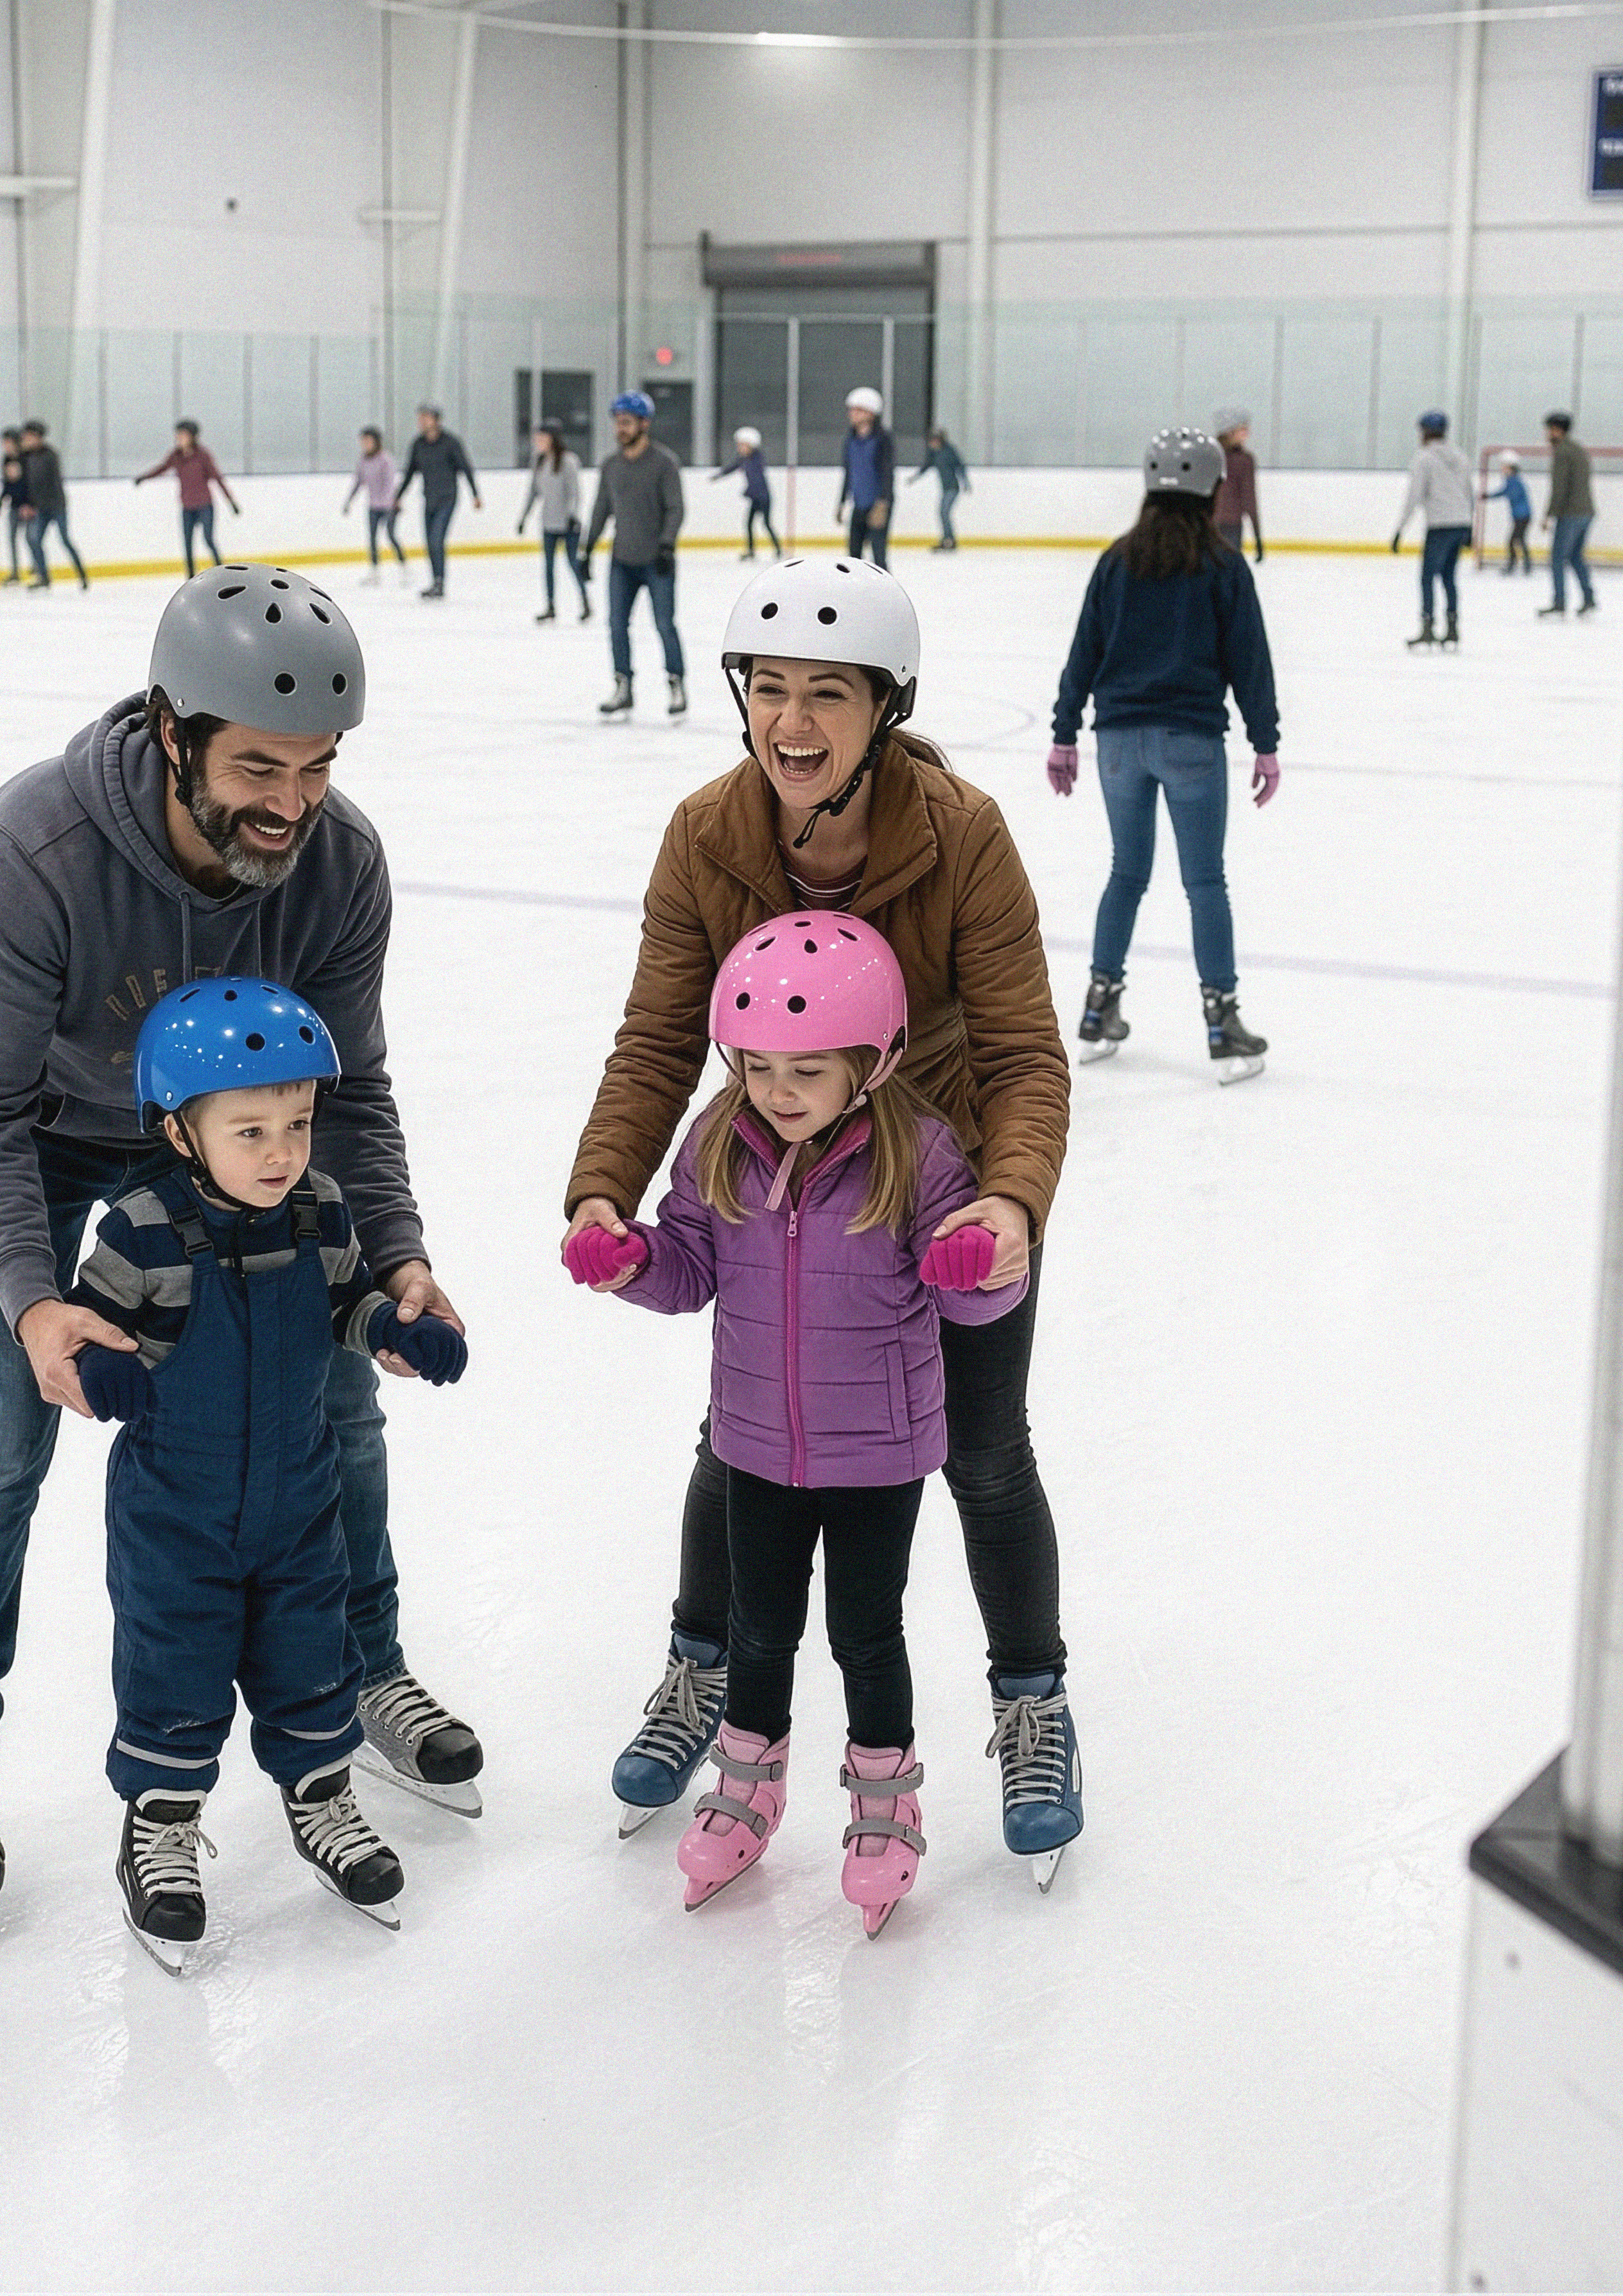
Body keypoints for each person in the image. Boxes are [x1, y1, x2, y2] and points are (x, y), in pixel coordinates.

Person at [0, 564, 485, 1925]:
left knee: (333, 1388)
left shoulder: (339, 865)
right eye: (259, 768)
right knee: (3, 1421)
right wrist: (34, 1305)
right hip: (35, 1118)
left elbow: (352, 1092)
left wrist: (394, 1257)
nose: (292, 804)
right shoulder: (37, 848)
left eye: (317, 768)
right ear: (172, 731)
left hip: (230, 1125)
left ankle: (362, 1667)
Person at [562, 555, 1084, 1886]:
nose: (792, 724)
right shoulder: (707, 834)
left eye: (828, 695)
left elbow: (1024, 1051)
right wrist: (604, 1185)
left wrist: (1009, 1201)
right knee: (740, 1441)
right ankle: (701, 1672)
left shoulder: (960, 834)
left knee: (984, 1450)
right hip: (771, 1175)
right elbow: (658, 1036)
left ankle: (1032, 1701)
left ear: (884, 708)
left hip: (935, 1183)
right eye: (771, 689)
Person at [571, 912, 1022, 1931]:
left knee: (866, 1634)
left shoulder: (921, 1153)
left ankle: (885, 1804)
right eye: (757, 1065)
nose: (776, 1091)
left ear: (874, 1060)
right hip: (756, 1442)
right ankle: (747, 1790)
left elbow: (971, 1303)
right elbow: (689, 1268)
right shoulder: (717, 1141)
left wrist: (977, 1269)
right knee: (758, 1628)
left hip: (880, 1453)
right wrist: (633, 1262)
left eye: (806, 1071)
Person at [68, 980, 470, 1967]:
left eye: (296, 1124)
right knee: (176, 1667)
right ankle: (160, 1826)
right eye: (250, 1132)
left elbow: (347, 1303)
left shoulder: (319, 1210)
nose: (281, 1152)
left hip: (298, 1498)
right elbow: (91, 1325)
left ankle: (323, 1799)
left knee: (310, 1658)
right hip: (177, 1512)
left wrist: (395, 1331)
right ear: (180, 1132)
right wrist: (104, 1362)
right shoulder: (140, 1230)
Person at [1047, 428, 1283, 1085]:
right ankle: (1223, 1024)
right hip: (1191, 742)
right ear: (1212, 490)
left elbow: (1083, 652)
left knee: (1126, 873)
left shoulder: (1117, 561)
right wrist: (1265, 743)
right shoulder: (1223, 567)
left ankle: (1098, 1008)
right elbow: (1251, 662)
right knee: (1205, 882)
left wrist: (1065, 734)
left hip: (1119, 743)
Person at [586, 390, 687, 720]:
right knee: (616, 624)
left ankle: (676, 684)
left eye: (627, 422)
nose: (621, 429)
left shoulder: (664, 462)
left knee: (664, 624)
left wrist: (667, 545)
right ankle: (623, 687)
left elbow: (676, 509)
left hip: (657, 561)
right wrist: (587, 549)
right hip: (622, 561)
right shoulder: (611, 465)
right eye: (618, 422)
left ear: (644, 424)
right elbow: (601, 509)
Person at [1391, 409, 1471, 650]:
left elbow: (1414, 496)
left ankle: (1428, 627)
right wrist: (1470, 528)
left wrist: (1400, 529)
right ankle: (1452, 628)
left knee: (1427, 577)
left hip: (1439, 526)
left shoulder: (1423, 459)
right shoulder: (1460, 457)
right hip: (1461, 524)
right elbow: (1468, 493)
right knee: (1449, 577)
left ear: (1426, 432)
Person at [394, 403, 481, 599]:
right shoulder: (418, 444)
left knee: (436, 539)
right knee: (430, 542)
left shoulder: (450, 443)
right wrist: (398, 496)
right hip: (429, 499)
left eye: (426, 418)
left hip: (447, 498)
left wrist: (475, 494)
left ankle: (440, 582)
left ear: (436, 420)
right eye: (420, 418)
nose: (422, 422)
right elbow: (410, 472)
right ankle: (436, 581)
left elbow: (465, 467)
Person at [137, 420, 241, 577]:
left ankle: (222, 572)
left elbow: (217, 478)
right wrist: (144, 477)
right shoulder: (176, 456)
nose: (179, 438)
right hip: (187, 507)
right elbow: (162, 468)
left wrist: (231, 502)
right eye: (178, 435)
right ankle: (191, 577)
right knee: (187, 544)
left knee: (208, 539)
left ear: (193, 436)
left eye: (183, 435)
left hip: (204, 505)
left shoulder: (203, 456)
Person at [518, 422, 591, 624]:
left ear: (553, 439)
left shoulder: (568, 461)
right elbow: (533, 491)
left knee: (573, 563)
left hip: (568, 524)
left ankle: (585, 602)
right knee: (549, 567)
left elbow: (574, 492)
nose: (538, 442)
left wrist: (572, 516)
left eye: (542, 438)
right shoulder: (538, 460)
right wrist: (524, 517)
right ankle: (550, 606)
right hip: (548, 523)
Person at [1538, 411, 1598, 618]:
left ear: (1557, 430)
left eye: (1549, 430)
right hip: (1586, 511)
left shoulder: (1562, 452)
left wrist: (1549, 515)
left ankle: (1560, 602)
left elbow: (1560, 487)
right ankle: (1589, 597)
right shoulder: (1578, 449)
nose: (1547, 434)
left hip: (1571, 513)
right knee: (1575, 556)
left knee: (1557, 558)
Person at [21, 421, 84, 591]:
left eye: (28, 437)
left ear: (37, 437)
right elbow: (28, 483)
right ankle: (44, 577)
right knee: (34, 540)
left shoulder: (50, 456)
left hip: (55, 505)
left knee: (64, 540)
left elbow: (48, 483)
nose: (25, 440)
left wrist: (36, 504)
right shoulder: (28, 457)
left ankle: (81, 574)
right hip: (41, 507)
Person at [838, 386, 896, 568]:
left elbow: (887, 473)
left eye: (858, 410)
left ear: (871, 413)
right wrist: (842, 502)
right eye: (852, 410)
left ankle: (885, 587)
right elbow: (849, 472)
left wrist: (883, 503)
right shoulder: (851, 439)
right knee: (853, 557)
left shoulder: (882, 439)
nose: (852, 414)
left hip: (878, 503)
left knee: (879, 555)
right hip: (859, 504)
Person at [342, 428, 407, 587]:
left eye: (368, 441)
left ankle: (404, 568)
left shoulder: (386, 460)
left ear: (376, 442)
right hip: (373, 506)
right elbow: (359, 482)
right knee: (372, 539)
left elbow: (390, 483)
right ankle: (375, 572)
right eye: (363, 441)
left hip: (389, 506)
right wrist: (349, 501)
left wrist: (394, 502)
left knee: (391, 536)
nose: (365, 444)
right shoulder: (363, 461)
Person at [713, 426, 780, 559]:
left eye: (742, 445)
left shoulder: (757, 459)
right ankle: (751, 551)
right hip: (756, 498)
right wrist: (719, 475)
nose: (739, 448)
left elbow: (756, 480)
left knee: (766, 524)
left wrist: (748, 491)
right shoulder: (745, 459)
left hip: (763, 498)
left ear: (751, 445)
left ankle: (778, 550)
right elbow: (732, 467)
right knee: (749, 524)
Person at [1211, 408, 1263, 562]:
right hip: (1227, 525)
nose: (1247, 434)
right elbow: (1249, 498)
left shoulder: (1210, 455)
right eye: (1243, 430)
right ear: (1230, 432)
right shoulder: (1244, 460)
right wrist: (1257, 536)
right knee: (1229, 567)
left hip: (1212, 522)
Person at [909, 426, 971, 552]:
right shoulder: (934, 453)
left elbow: (960, 466)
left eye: (935, 440)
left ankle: (949, 540)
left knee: (944, 512)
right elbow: (927, 465)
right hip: (946, 488)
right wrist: (916, 477)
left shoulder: (949, 451)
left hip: (952, 488)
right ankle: (949, 539)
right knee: (943, 513)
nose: (932, 442)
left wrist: (965, 482)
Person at [1486, 449, 1534, 576]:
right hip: (1521, 516)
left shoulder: (1514, 480)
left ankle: (1514, 565)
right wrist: (1489, 496)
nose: (1502, 469)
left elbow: (1510, 493)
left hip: (1522, 516)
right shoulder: (1512, 480)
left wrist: (1491, 496)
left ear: (1510, 468)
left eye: (1504, 467)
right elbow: (1505, 492)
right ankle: (1526, 565)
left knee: (1513, 541)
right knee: (1520, 540)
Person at [0, 427, 30, 586]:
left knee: (31, 538)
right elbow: (7, 484)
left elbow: (30, 483)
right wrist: (1, 501)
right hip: (14, 505)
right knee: (12, 539)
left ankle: (37, 569)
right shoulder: (6, 460)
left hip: (28, 506)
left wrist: (29, 504)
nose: (5, 446)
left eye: (8, 442)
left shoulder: (26, 459)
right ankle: (15, 572)